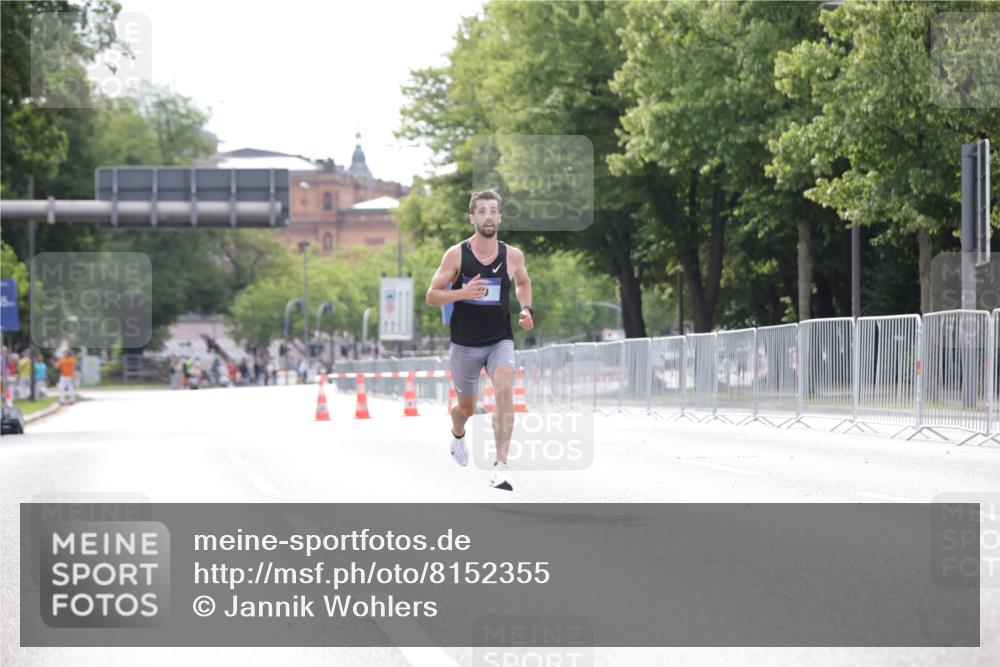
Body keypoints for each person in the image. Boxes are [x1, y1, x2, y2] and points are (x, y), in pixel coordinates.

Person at [425, 189, 533, 491]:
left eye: (493, 210)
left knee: (503, 389)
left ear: (499, 216)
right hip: (464, 343)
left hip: (500, 339)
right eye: (481, 211)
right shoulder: (457, 254)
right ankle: (458, 434)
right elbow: (431, 295)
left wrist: (526, 309)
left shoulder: (512, 255)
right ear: (472, 217)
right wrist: (462, 293)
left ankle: (501, 465)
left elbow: (523, 282)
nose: (488, 215)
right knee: (467, 410)